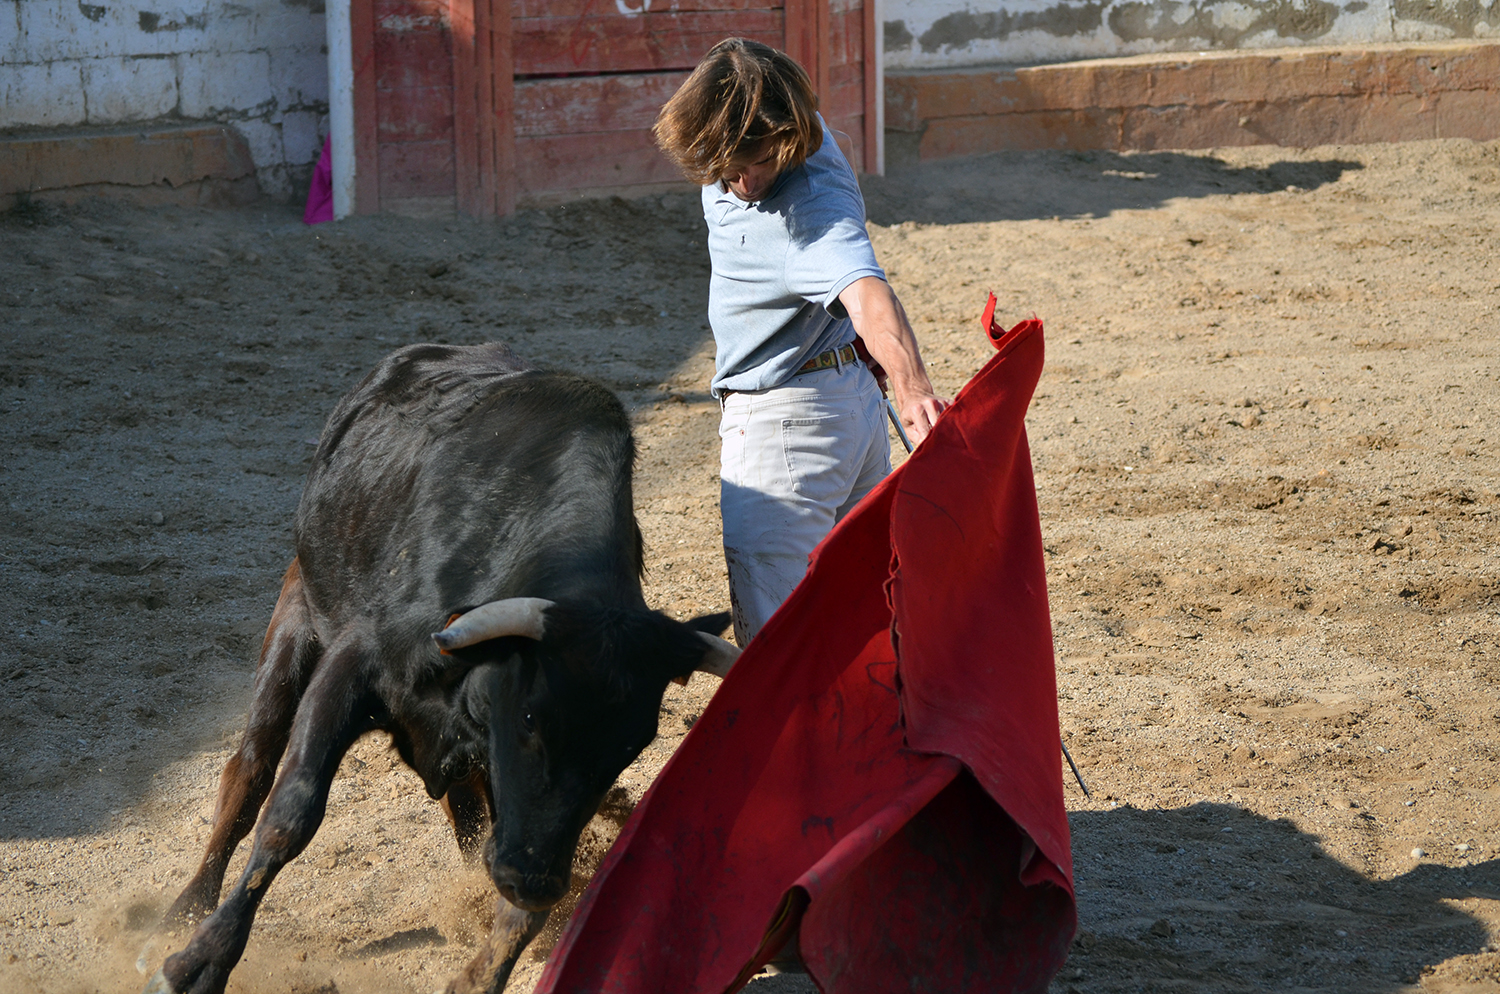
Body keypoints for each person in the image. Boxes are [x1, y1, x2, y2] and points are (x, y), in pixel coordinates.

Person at [655, 38, 949, 646]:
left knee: (777, 652)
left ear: (789, 139)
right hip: (850, 408)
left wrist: (913, 387)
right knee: (866, 630)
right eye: (727, 162)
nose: (744, 179)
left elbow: (867, 293)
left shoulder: (809, 216)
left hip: (788, 431)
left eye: (760, 161)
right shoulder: (793, 129)